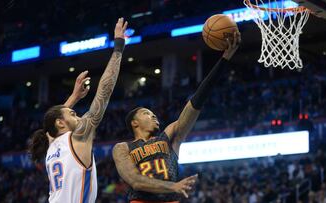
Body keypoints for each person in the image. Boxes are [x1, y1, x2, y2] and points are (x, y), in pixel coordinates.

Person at [113, 32, 241, 202]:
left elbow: (195, 103)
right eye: (147, 114)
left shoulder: (168, 137)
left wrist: (224, 59)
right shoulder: (123, 148)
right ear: (134, 123)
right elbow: (135, 181)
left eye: (153, 114)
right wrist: (172, 186)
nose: (154, 116)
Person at [28, 17, 127, 203]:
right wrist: (118, 47)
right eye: (73, 114)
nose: (79, 116)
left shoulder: (51, 143)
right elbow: (103, 93)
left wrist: (74, 97)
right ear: (60, 123)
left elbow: (56, 118)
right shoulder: (78, 136)